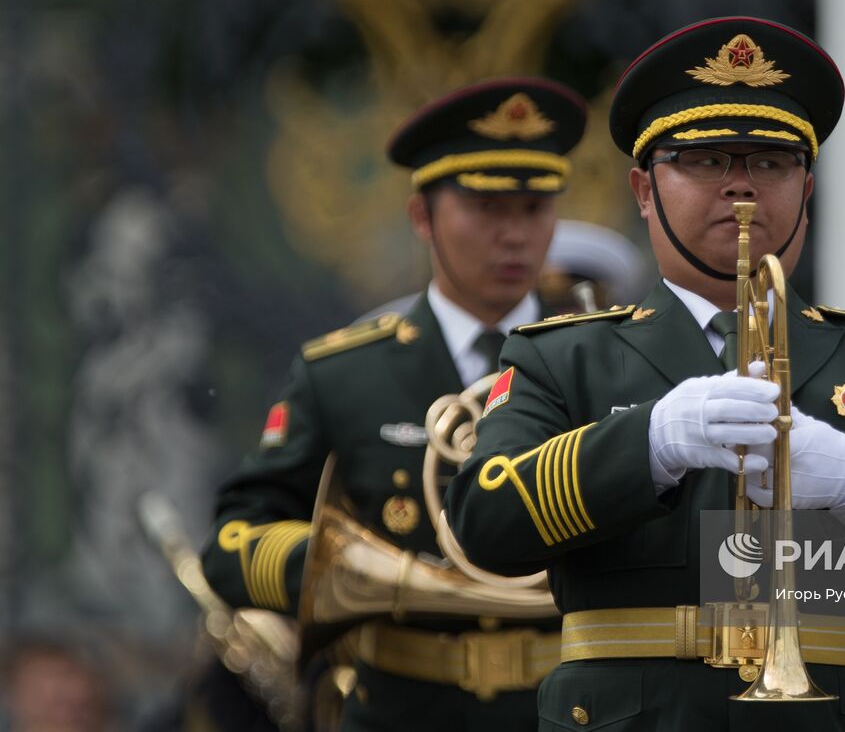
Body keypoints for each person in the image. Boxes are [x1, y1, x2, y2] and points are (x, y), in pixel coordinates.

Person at [444, 16, 845, 732]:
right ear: (642, 188)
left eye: (771, 161)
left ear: (808, 187)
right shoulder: (562, 356)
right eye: (705, 160)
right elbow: (484, 522)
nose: (741, 187)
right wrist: (648, 444)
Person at [200, 77, 588, 731]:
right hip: (401, 710)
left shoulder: (601, 354)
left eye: (534, 206)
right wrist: (335, 568)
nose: (515, 234)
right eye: (486, 207)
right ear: (421, 217)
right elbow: (233, 542)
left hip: (568, 710)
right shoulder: (344, 373)